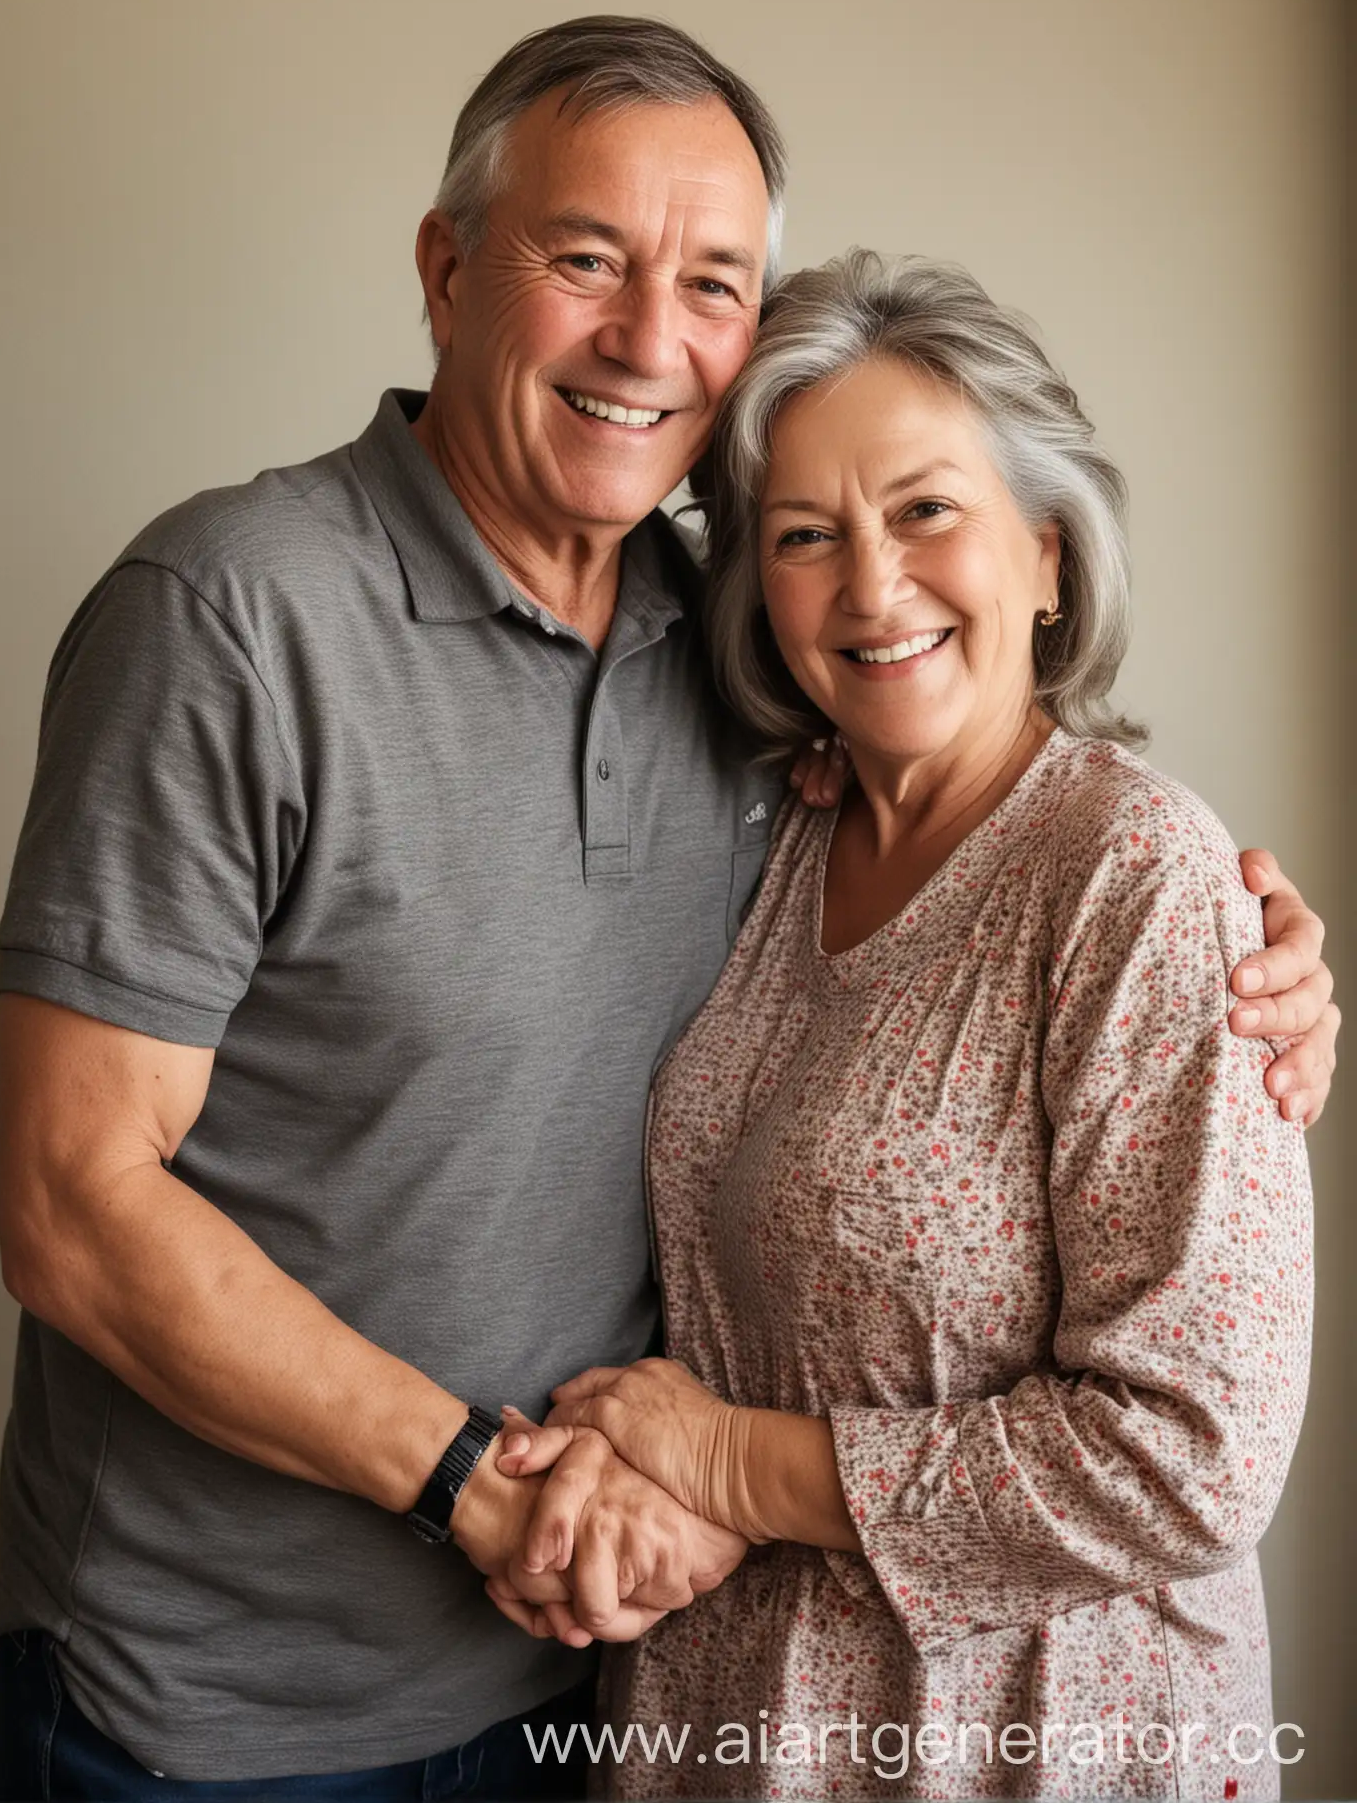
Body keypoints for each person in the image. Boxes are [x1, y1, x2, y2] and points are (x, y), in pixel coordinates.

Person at [0, 17, 1333, 1801]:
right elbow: (72, 1203)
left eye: (712, 281)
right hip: (239, 1701)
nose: (648, 339)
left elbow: (1178, 1392)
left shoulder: (745, 676)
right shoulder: (233, 619)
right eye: (585, 260)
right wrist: (487, 1481)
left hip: (605, 1687)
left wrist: (1242, 961)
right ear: (448, 267)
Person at [493, 252, 1316, 1801]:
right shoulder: (773, 835)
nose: (871, 586)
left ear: (1052, 555)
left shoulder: (1132, 876)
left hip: (1015, 1738)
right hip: (724, 1717)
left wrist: (735, 1467)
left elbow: (1191, 1454)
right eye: (806, 538)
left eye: (928, 510)